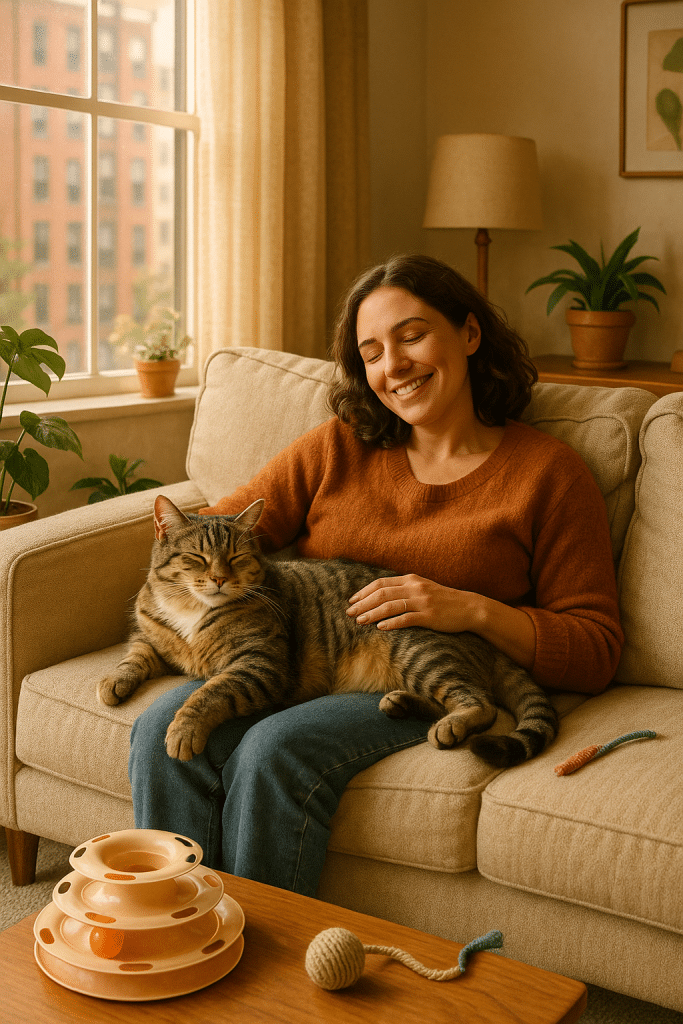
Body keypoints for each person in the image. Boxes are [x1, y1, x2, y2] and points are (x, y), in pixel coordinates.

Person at [129, 254, 623, 897]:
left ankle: (263, 948)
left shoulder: (549, 475)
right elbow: (221, 530)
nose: (395, 365)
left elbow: (595, 648)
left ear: (470, 334)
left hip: (407, 673)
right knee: (157, 732)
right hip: (298, 652)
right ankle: (175, 924)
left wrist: (470, 609)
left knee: (273, 749)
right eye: (372, 353)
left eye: (412, 336)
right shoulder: (338, 446)